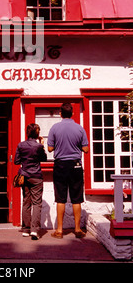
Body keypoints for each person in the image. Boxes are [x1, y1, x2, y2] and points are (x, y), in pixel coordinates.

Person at [47, 102, 89, 239]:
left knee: (61, 198)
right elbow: (86, 149)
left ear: (60, 113)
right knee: (77, 199)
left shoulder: (54, 128)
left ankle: (59, 230)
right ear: (72, 113)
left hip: (60, 165)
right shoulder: (80, 129)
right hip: (75, 165)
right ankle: (77, 229)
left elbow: (50, 149)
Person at [14, 123, 47, 240]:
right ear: (37, 134)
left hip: (25, 176)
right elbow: (44, 158)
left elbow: (16, 161)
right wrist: (42, 145)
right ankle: (34, 230)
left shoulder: (21, 145)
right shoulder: (38, 146)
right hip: (36, 176)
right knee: (37, 203)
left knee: (26, 202)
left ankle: (26, 229)